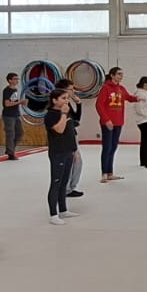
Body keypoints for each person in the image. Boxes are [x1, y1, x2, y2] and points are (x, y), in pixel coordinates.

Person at [95, 67, 142, 183]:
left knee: (113, 147)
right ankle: (104, 173)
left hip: (118, 122)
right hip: (108, 123)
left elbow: (128, 97)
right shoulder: (105, 88)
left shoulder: (121, 88)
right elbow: (99, 105)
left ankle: (110, 173)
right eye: (119, 74)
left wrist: (137, 98)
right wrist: (106, 120)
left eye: (122, 74)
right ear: (112, 75)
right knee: (107, 147)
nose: (121, 76)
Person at [44, 88, 79, 224]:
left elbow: (71, 132)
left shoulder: (67, 112)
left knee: (64, 182)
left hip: (68, 151)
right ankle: (53, 214)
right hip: (57, 152)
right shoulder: (50, 115)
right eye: (63, 98)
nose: (66, 101)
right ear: (54, 100)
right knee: (56, 182)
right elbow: (59, 130)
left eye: (67, 98)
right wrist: (63, 114)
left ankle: (63, 209)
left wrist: (74, 150)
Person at [55, 79, 87, 198]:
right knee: (72, 162)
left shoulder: (67, 104)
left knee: (76, 163)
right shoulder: (58, 106)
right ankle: (66, 188)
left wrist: (78, 104)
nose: (73, 92)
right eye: (70, 89)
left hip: (72, 134)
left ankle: (69, 187)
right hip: (65, 137)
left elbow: (76, 120)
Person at [0, 72, 23, 160]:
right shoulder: (7, 90)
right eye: (15, 79)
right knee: (10, 134)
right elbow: (7, 104)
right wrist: (19, 102)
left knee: (20, 132)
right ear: (10, 80)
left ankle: (10, 149)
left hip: (16, 114)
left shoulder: (15, 90)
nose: (17, 80)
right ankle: (11, 153)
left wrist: (19, 103)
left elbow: (13, 101)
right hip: (9, 115)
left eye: (17, 79)